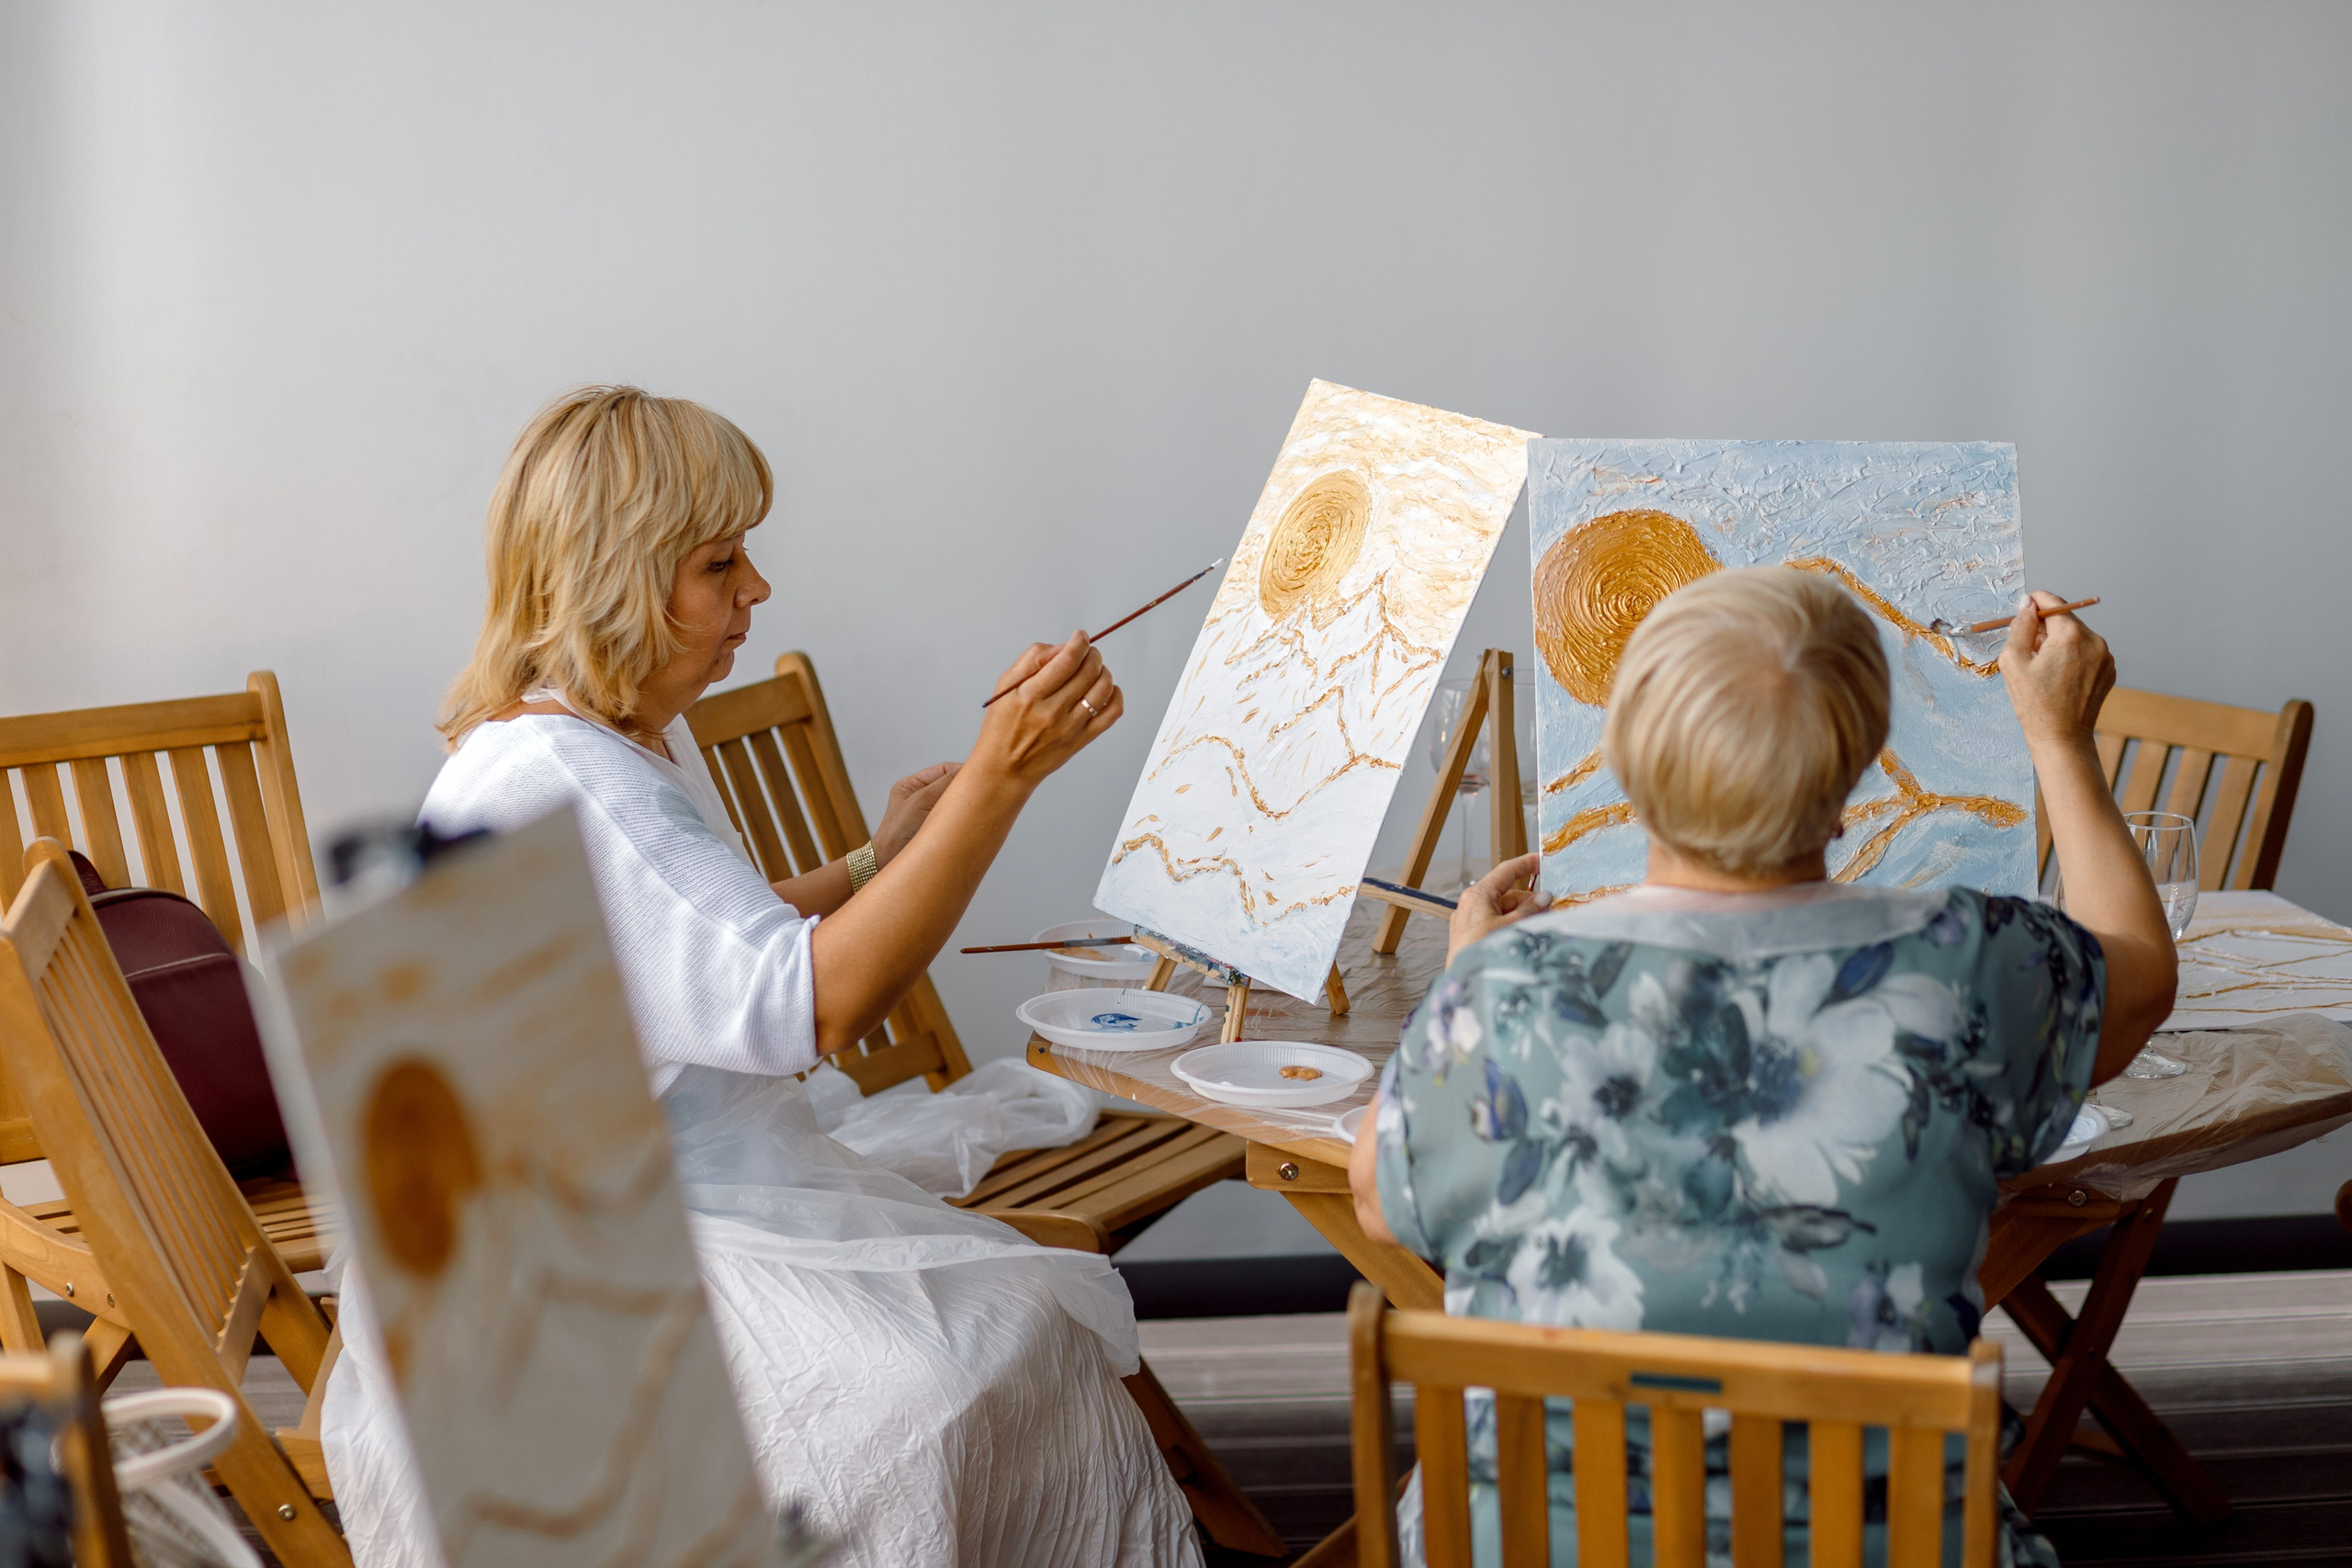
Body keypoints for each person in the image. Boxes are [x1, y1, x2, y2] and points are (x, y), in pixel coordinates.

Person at [322, 386, 1202, 1568]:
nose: (757, 590)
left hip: (575, 1229)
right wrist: (998, 785)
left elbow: (681, 952)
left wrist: (871, 860)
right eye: (720, 562)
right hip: (584, 1274)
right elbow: (803, 1007)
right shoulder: (576, 780)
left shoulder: (570, 740)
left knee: (1012, 1313)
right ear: (615, 578)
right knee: (981, 1347)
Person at [1349, 567, 2177, 1565]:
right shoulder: (1965, 961)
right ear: (1859, 767)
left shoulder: (1502, 989)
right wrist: (2059, 738)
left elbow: (1379, 1203)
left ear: (1619, 753)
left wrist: (1473, 981)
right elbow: (2136, 973)